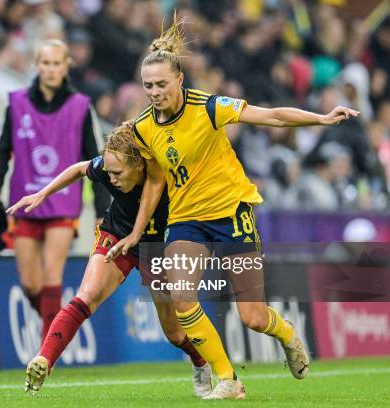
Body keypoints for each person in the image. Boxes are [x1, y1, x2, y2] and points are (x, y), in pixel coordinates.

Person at [107, 19, 360, 400]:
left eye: (161, 84)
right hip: (186, 219)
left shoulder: (208, 106)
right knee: (182, 297)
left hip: (231, 214)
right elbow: (156, 180)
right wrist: (136, 231)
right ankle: (228, 379)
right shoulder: (143, 127)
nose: (154, 92)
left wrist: (320, 118)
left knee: (253, 317)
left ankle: (287, 333)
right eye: (148, 86)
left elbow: (272, 115)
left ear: (179, 79)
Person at [7, 121, 211, 397]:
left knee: (174, 334)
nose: (110, 179)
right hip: (117, 237)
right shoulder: (107, 167)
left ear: (139, 165)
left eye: (117, 173)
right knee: (86, 294)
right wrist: (44, 193)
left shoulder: (165, 178)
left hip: (158, 249)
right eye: (108, 171)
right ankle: (45, 358)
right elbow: (79, 169)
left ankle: (202, 362)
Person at [0, 39, 110, 341]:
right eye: (46, 63)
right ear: (36, 65)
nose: (51, 69)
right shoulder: (15, 103)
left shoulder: (81, 107)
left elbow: (98, 162)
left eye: (56, 63)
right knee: (29, 283)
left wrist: (103, 211)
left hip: (63, 204)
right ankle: (57, 330)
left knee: (52, 276)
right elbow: (1, 151)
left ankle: (46, 353)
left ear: (66, 66)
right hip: (23, 202)